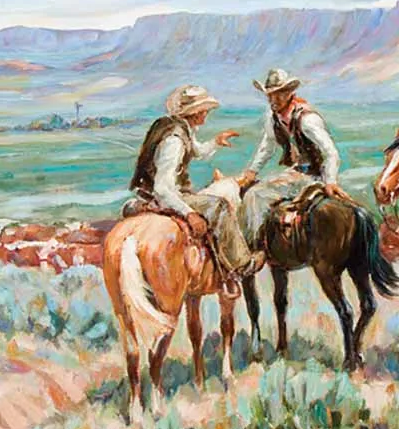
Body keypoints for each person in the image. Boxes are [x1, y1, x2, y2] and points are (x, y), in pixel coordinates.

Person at [127, 85, 264, 295]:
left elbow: (195, 150)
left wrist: (216, 142)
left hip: (154, 194)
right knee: (219, 206)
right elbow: (162, 188)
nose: (206, 114)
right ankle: (242, 263)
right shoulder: (174, 140)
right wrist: (189, 213)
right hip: (165, 197)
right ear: (196, 112)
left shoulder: (177, 129)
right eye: (205, 110)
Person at [238, 67, 343, 197]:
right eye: (270, 95)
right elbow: (267, 146)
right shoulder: (274, 119)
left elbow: (331, 152)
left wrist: (330, 181)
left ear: (289, 94)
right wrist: (252, 171)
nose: (273, 100)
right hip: (298, 172)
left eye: (279, 94)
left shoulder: (307, 119)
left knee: (257, 193)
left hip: (317, 177)